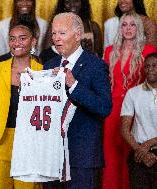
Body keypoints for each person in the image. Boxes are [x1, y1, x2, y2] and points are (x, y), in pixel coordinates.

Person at [43, 12, 112, 189]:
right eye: (53, 34)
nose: (56, 39)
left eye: (62, 33)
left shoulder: (96, 65)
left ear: (78, 35)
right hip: (52, 157)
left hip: (82, 158)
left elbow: (104, 107)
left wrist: (73, 85)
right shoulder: (49, 65)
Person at [0, 20, 43, 189]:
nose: (16, 43)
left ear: (33, 41)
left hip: (29, 144)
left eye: (22, 38)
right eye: (12, 39)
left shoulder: (43, 72)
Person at [103, 12, 157, 189]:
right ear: (120, 28)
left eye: (132, 25)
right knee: (111, 156)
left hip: (137, 109)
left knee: (132, 153)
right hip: (112, 110)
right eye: (124, 25)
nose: (128, 28)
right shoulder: (110, 51)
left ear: (138, 28)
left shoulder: (149, 51)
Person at [121, 52, 157, 189]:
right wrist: (140, 150)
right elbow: (124, 129)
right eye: (147, 66)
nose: (150, 69)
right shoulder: (133, 93)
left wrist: (148, 144)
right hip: (138, 154)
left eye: (154, 66)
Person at [40, 0, 103, 64]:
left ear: (83, 4)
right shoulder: (54, 26)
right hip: (62, 68)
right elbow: (47, 55)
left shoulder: (93, 26)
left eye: (76, 1)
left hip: (88, 68)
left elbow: (99, 55)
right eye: (67, 2)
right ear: (63, 5)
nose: (72, 4)